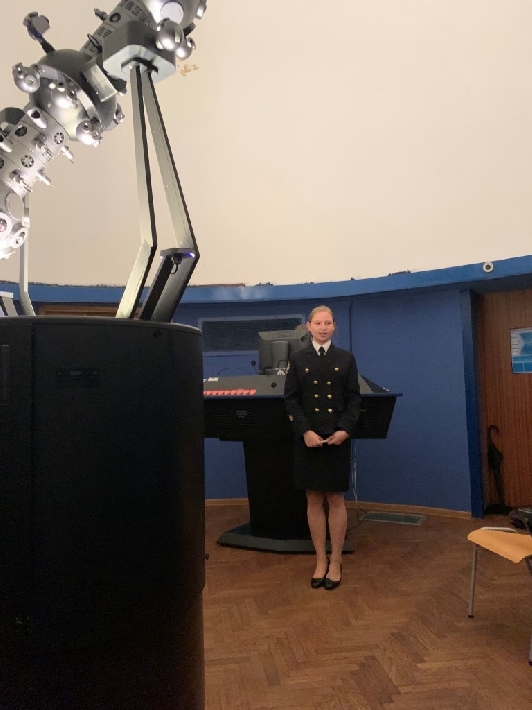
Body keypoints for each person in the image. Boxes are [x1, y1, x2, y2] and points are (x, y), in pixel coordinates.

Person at [284, 305, 361, 589]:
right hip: (309, 439)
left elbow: (354, 399)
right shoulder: (297, 358)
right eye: (318, 323)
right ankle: (320, 560)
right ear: (309, 326)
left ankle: (336, 561)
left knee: (336, 499)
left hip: (336, 438)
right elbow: (291, 399)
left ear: (334, 326)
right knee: (314, 499)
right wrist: (305, 431)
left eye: (328, 323)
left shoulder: (346, 358)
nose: (323, 328)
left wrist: (345, 430)